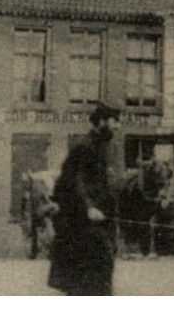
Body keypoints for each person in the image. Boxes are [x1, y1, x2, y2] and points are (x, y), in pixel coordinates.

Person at [48, 104, 122, 295]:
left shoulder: (109, 148)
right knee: (86, 275)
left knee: (103, 270)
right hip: (81, 221)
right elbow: (75, 181)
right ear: (102, 122)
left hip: (103, 219)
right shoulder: (83, 146)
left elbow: (109, 183)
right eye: (115, 121)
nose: (118, 126)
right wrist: (88, 207)